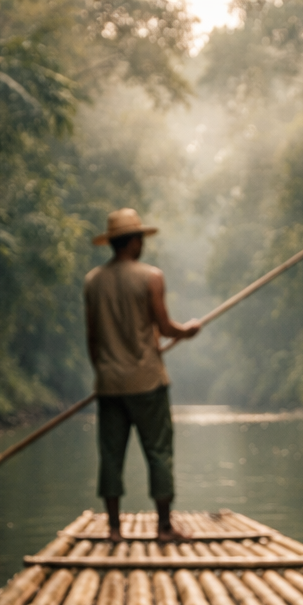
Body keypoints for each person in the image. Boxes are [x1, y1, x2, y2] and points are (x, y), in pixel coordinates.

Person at [84, 208, 200, 542]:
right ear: (133, 241)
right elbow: (165, 328)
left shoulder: (92, 282)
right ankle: (164, 528)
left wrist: (104, 371)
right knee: (159, 452)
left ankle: (114, 530)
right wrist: (188, 331)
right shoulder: (151, 277)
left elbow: (92, 339)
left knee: (110, 455)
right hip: (148, 382)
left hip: (109, 385)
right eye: (139, 239)